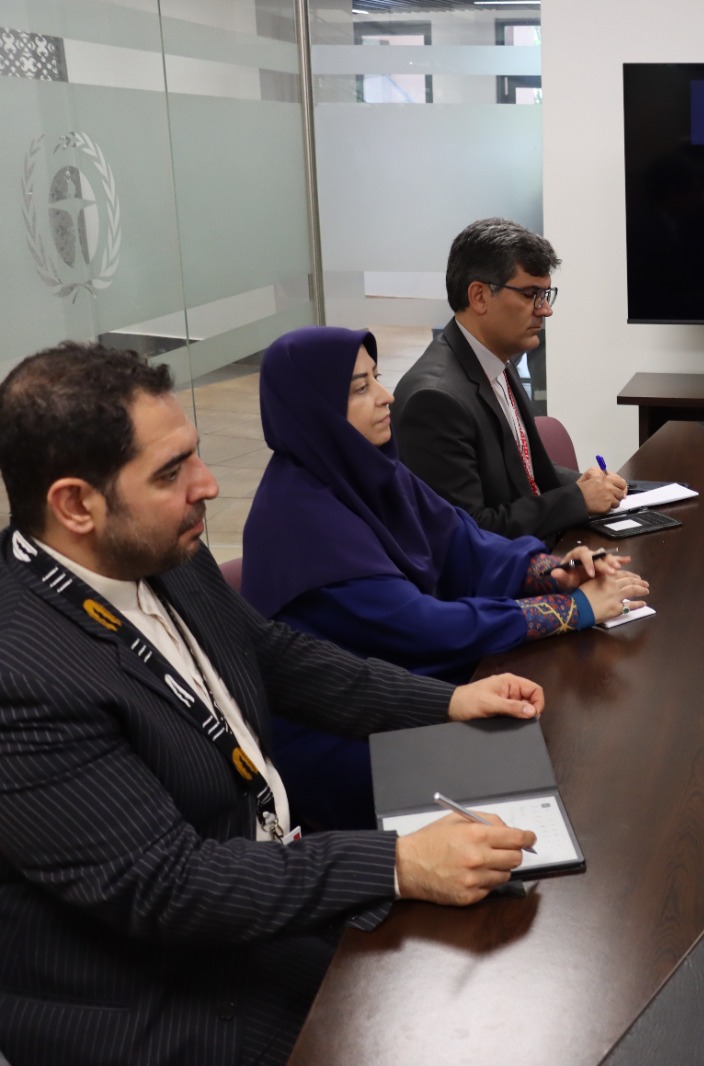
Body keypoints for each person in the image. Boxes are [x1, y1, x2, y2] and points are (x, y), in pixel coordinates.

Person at [0, 342, 548, 1066]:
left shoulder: (160, 549)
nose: (207, 485)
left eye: (194, 455)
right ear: (75, 505)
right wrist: (397, 864)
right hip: (156, 991)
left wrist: (447, 701)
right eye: (170, 472)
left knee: (491, 982)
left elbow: (275, 656)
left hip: (256, 895)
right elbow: (165, 885)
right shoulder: (21, 672)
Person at [242, 326, 649, 830]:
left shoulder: (371, 470)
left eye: (377, 378)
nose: (387, 396)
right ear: (314, 408)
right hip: (347, 736)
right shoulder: (298, 521)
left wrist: (554, 572)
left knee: (571, 738)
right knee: (559, 769)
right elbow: (419, 627)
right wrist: (573, 610)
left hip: (417, 686)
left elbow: (464, 543)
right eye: (361, 388)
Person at [392, 218, 627, 541]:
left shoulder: (495, 358)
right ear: (479, 296)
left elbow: (523, 473)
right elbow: (469, 532)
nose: (545, 310)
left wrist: (586, 484)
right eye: (531, 294)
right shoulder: (434, 400)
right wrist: (577, 499)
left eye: (546, 294)